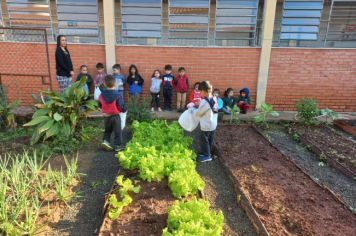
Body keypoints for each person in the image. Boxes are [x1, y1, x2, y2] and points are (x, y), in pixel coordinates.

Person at [98, 75, 124, 152]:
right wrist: (123, 110)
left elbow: (99, 104)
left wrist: (102, 110)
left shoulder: (101, 95)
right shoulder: (118, 95)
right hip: (116, 116)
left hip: (106, 116)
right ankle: (117, 146)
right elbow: (121, 106)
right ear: (115, 84)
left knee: (107, 130)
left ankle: (106, 142)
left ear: (105, 84)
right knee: (118, 131)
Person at [194, 81, 218, 162]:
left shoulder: (204, 102)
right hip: (213, 124)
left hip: (206, 125)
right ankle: (207, 152)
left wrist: (194, 110)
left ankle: (207, 156)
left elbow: (199, 113)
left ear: (204, 91)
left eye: (200, 91)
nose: (199, 93)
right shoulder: (214, 98)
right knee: (210, 140)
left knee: (204, 140)